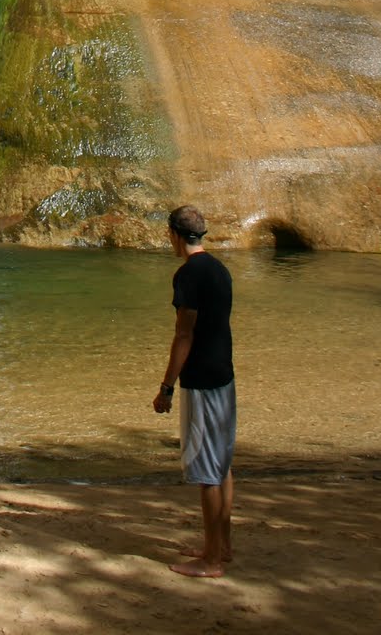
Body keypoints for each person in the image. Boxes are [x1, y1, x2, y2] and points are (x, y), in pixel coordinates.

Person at [152, 204, 235, 578]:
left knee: (206, 472)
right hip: (224, 374)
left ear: (173, 234)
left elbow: (183, 335)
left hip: (201, 379)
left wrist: (166, 387)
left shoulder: (188, 275)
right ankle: (221, 546)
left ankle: (211, 561)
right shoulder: (219, 269)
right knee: (223, 465)